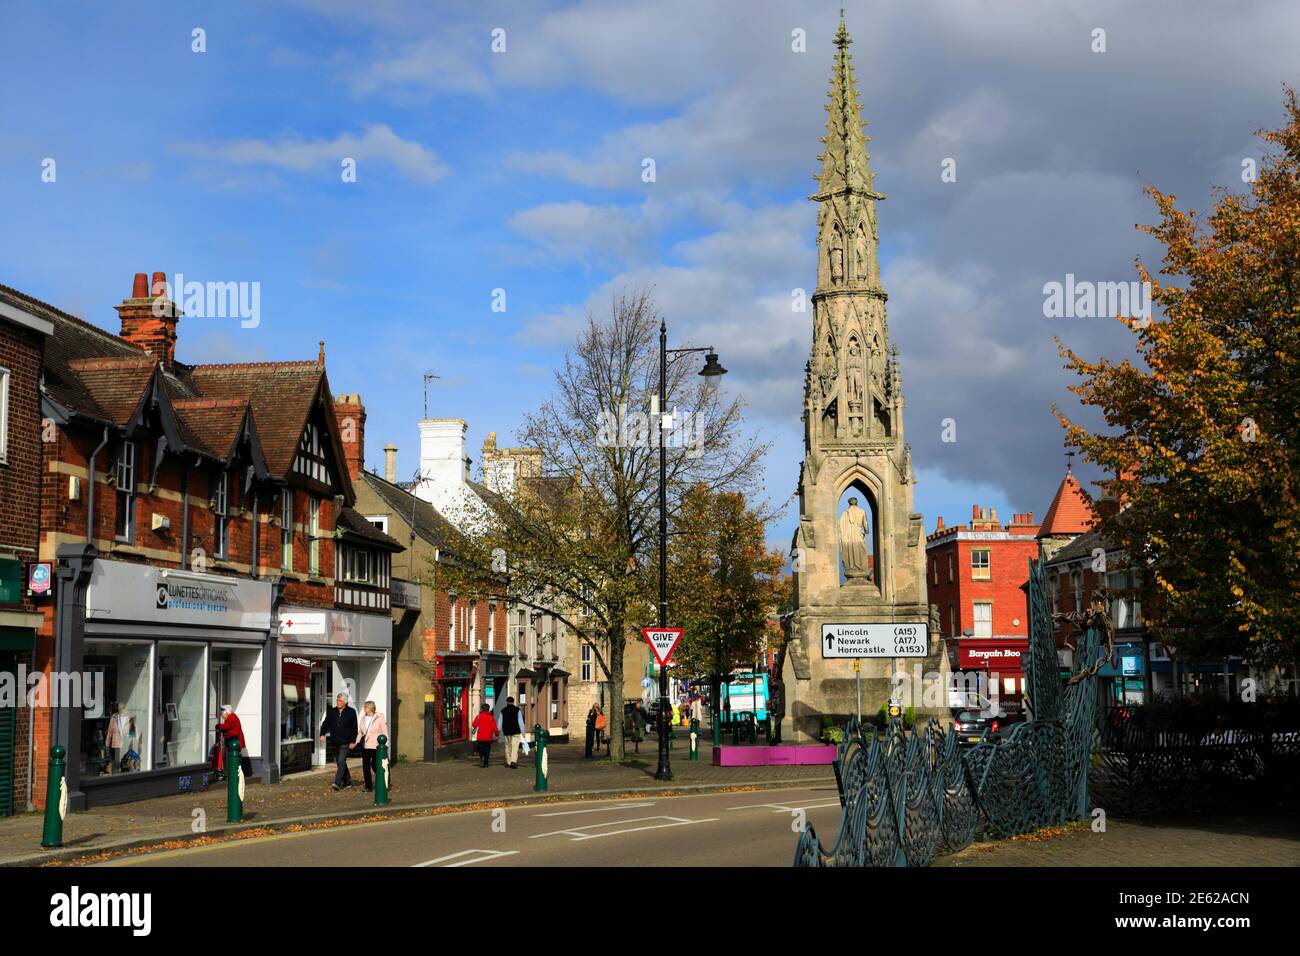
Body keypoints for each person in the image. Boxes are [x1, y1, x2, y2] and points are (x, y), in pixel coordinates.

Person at [319, 692, 359, 790]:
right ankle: (348, 781)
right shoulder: (332, 711)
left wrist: (353, 741)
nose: (338, 702)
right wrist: (322, 734)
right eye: (337, 700)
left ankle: (337, 783)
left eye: (340, 700)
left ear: (345, 702)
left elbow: (354, 728)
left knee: (341, 761)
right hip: (335, 741)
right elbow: (325, 723)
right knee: (341, 762)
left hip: (346, 742)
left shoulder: (351, 712)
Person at [355, 700, 389, 792]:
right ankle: (368, 786)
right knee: (365, 767)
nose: (363, 709)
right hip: (365, 746)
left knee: (375, 765)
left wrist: (386, 744)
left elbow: (384, 730)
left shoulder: (379, 717)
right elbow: (361, 732)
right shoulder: (363, 718)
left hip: (376, 745)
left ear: (370, 708)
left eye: (365, 707)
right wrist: (356, 742)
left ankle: (384, 782)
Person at [213, 705, 246, 781]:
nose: (222, 716)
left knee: (233, 759)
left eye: (222, 714)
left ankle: (233, 774)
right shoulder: (231, 717)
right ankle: (232, 773)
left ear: (226, 713)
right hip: (235, 742)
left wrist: (218, 726)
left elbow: (226, 727)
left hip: (235, 742)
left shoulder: (231, 717)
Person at [499, 696, 526, 769]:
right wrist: (523, 731)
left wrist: (498, 731)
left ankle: (508, 762)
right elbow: (520, 722)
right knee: (515, 747)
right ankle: (513, 761)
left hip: (507, 731)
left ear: (507, 702)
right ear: (513, 701)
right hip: (516, 731)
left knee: (507, 747)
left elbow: (500, 722)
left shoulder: (503, 711)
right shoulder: (517, 710)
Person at [470, 703, 498, 768]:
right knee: (487, 750)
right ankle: (486, 762)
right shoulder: (491, 717)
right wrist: (497, 734)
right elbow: (494, 727)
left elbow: (474, 725)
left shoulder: (479, 716)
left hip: (480, 737)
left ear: (482, 709)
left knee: (481, 749)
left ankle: (482, 758)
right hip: (488, 737)